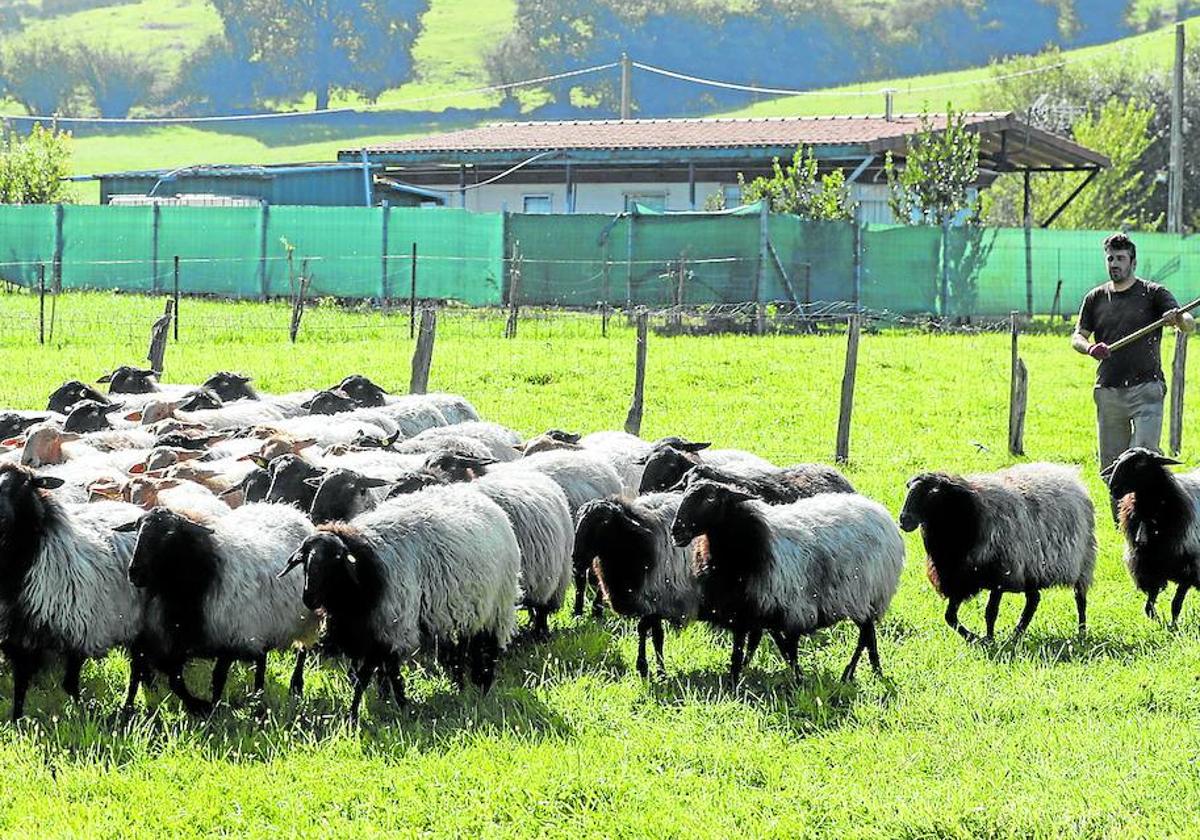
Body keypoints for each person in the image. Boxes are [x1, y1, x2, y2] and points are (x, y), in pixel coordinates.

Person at [1072, 233, 1194, 480]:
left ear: (1133, 263)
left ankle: (1148, 516)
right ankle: (1120, 518)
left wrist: (1178, 318)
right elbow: (1077, 337)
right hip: (1108, 391)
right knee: (1112, 467)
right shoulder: (1095, 298)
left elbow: (1189, 324)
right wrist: (1090, 348)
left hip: (1146, 390)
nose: (1114, 264)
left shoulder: (1153, 293)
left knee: (1144, 459)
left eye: (1120, 258)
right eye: (1110, 258)